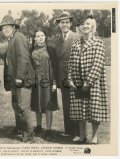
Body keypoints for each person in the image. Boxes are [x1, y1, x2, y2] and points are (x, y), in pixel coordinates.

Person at [67, 12, 109, 144]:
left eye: (88, 24)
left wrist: (88, 81)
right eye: (82, 24)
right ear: (79, 27)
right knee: (80, 110)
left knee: (94, 110)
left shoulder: (98, 42)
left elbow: (98, 63)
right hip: (78, 81)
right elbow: (70, 64)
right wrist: (70, 79)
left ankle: (94, 136)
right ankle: (82, 136)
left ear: (92, 26)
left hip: (93, 82)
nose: (85, 26)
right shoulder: (75, 44)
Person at [0, 15, 35, 142]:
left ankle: (29, 134)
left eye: (7, 27)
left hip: (21, 80)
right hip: (15, 80)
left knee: (23, 106)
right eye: (3, 28)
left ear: (13, 27)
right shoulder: (12, 39)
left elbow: (24, 59)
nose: (5, 30)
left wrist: (19, 77)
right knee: (16, 105)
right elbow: (9, 57)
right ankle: (20, 129)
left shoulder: (19, 38)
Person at [30, 28, 58, 139]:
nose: (40, 37)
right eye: (38, 36)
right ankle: (38, 126)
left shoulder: (50, 49)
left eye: (42, 35)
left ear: (45, 37)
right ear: (34, 38)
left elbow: (55, 67)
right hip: (36, 81)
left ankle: (49, 130)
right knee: (37, 103)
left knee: (48, 104)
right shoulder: (31, 49)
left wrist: (55, 82)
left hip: (49, 81)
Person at [55, 11, 79, 140]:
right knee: (66, 104)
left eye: (66, 22)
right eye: (62, 22)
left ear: (70, 23)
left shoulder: (76, 37)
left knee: (75, 104)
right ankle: (68, 130)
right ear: (59, 24)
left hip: (74, 77)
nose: (64, 25)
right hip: (62, 78)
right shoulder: (58, 40)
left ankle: (77, 132)